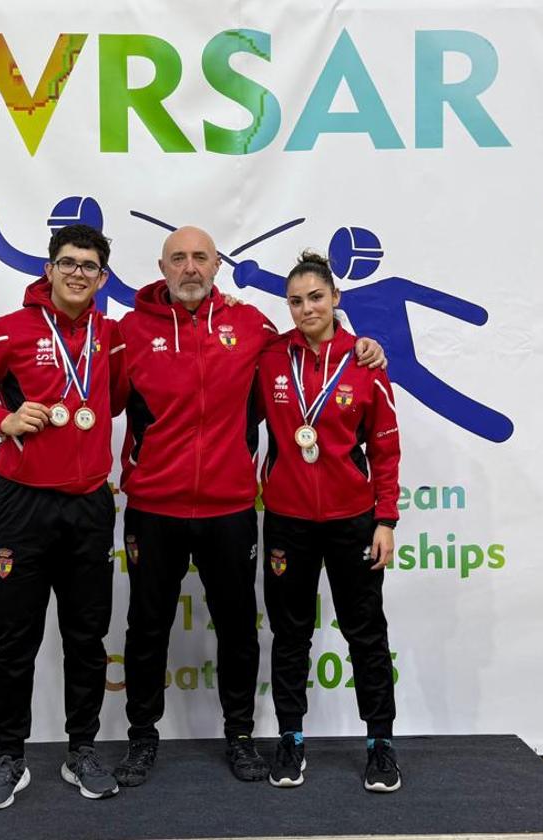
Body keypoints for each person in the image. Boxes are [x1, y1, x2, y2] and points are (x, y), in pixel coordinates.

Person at [112, 228, 384, 786]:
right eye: (179, 259)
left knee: (238, 628)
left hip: (230, 507)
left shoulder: (251, 326)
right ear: (161, 267)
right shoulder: (130, 331)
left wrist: (361, 343)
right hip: (153, 507)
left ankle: (240, 735)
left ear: (217, 266)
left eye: (201, 258)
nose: (190, 268)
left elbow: (308, 355)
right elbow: (93, 395)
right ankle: (142, 738)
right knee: (146, 627)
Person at [0, 224, 124, 809]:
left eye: (89, 266)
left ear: (102, 277)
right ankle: (9, 757)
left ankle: (81, 751)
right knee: (14, 638)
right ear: (48, 269)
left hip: (90, 503)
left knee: (86, 636)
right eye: (67, 262)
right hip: (23, 505)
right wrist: (3, 420)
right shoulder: (12, 330)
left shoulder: (112, 336)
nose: (77, 273)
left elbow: (124, 394)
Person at [256, 251, 402, 791]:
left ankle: (380, 742)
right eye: (295, 300)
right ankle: (291, 738)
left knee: (365, 633)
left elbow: (385, 449)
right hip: (288, 521)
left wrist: (385, 519)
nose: (305, 307)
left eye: (315, 296)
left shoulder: (364, 363)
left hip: (352, 522)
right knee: (290, 634)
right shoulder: (271, 358)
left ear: (336, 298)